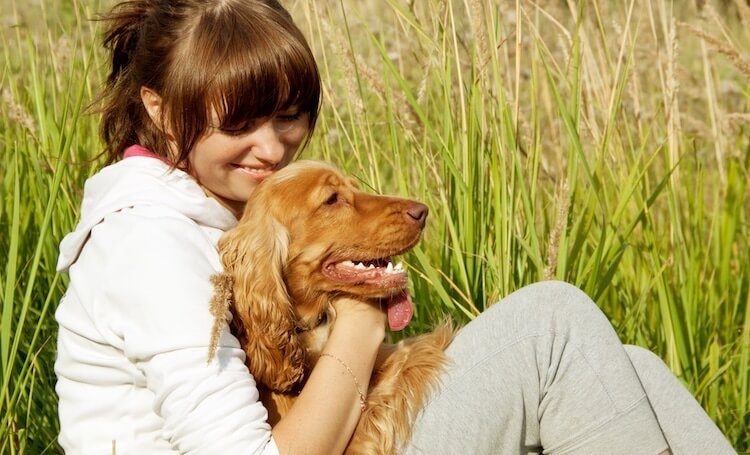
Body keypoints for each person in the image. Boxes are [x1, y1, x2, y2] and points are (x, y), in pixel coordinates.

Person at [53, 1, 736, 454]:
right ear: (161, 108)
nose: (271, 146)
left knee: (625, 366)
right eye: (239, 123)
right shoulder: (148, 241)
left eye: (288, 115)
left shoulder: (206, 204)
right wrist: (360, 318)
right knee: (553, 327)